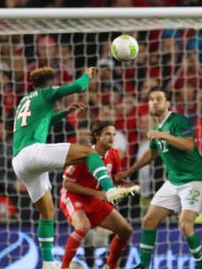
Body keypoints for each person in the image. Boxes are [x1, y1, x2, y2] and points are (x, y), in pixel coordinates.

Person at [11, 67, 137, 269]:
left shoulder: (25, 101)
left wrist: (64, 112)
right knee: (89, 153)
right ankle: (110, 190)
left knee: (47, 213)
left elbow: (44, 121)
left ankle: (48, 263)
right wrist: (87, 73)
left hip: (19, 162)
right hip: (33, 152)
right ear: (50, 83)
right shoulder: (47, 92)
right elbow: (78, 86)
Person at [123, 87, 202, 269]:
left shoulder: (178, 121)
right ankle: (143, 265)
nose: (154, 102)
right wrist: (129, 172)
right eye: (151, 99)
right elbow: (151, 154)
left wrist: (162, 135)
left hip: (193, 180)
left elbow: (187, 145)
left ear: (167, 104)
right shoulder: (157, 128)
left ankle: (200, 266)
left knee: (185, 226)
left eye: (158, 99)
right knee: (148, 220)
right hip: (173, 181)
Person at [59, 121, 134, 269]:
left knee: (126, 230)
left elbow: (114, 179)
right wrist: (96, 193)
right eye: (107, 134)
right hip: (73, 196)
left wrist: (125, 185)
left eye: (113, 135)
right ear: (97, 136)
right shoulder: (83, 155)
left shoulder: (114, 154)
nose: (112, 138)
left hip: (95, 199)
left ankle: (110, 266)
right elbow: (67, 184)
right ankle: (65, 266)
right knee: (83, 227)